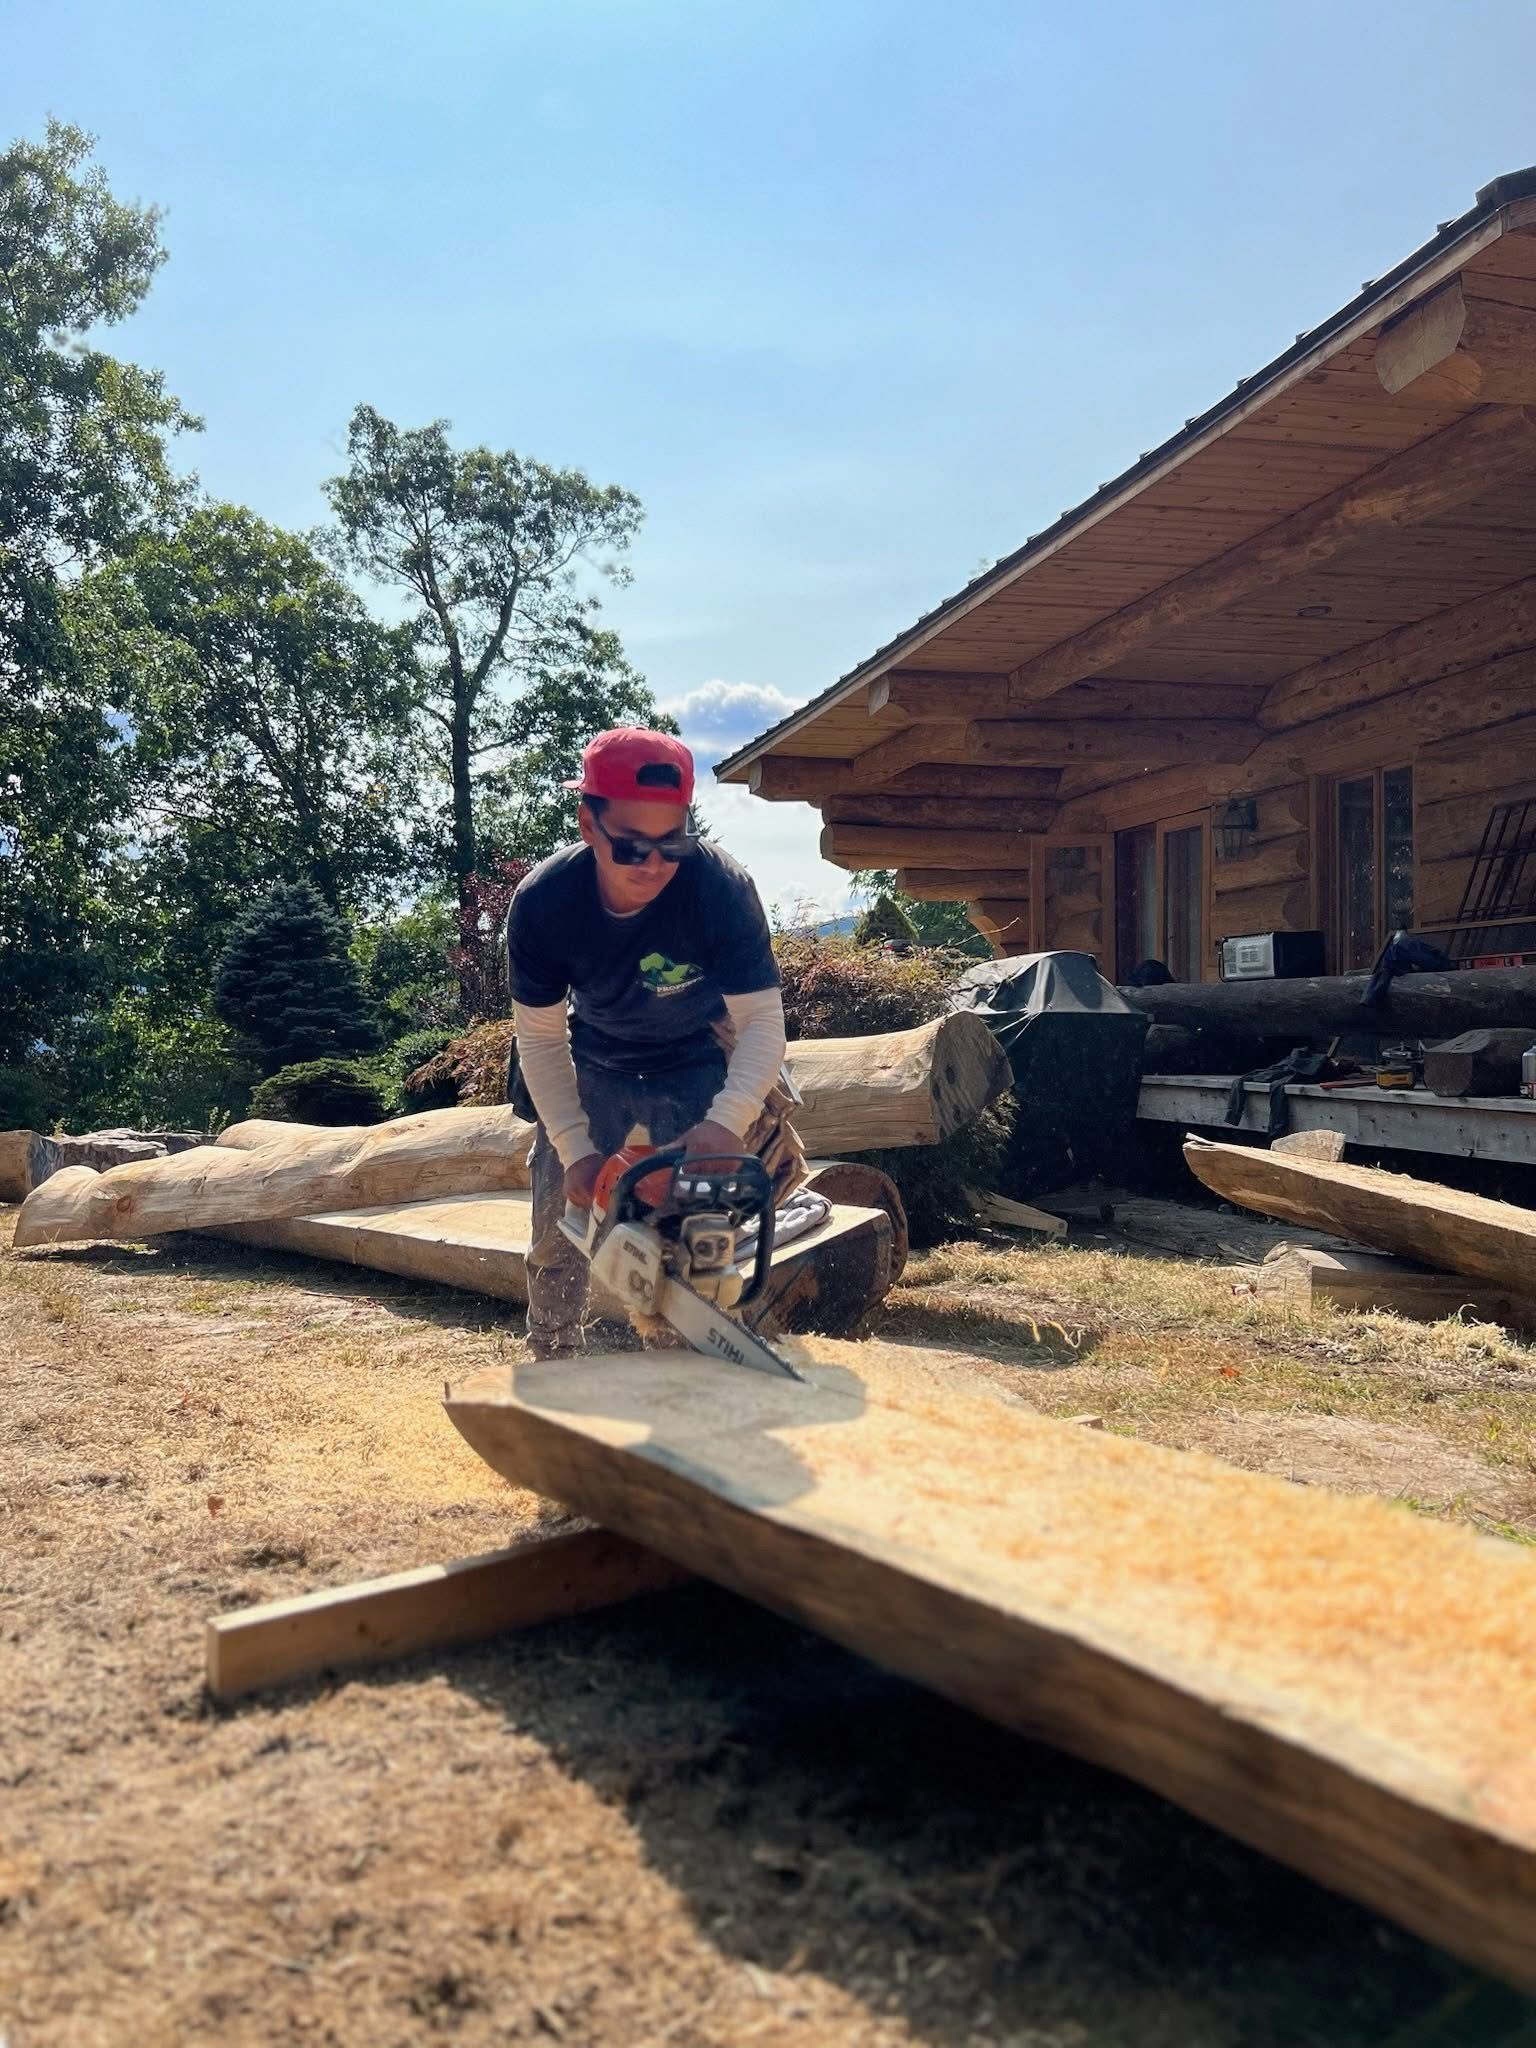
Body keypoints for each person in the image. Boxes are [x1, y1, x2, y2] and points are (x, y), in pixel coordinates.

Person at [504, 726, 788, 1359]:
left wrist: (727, 1121)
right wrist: (576, 1149)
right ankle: (552, 1350)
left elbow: (763, 1023)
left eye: (672, 843)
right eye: (631, 848)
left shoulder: (719, 888)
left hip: (691, 1056)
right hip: (591, 1057)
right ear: (588, 824)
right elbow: (542, 1040)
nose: (656, 865)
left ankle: (701, 1355)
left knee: (704, 1232)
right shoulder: (545, 904)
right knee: (559, 1220)